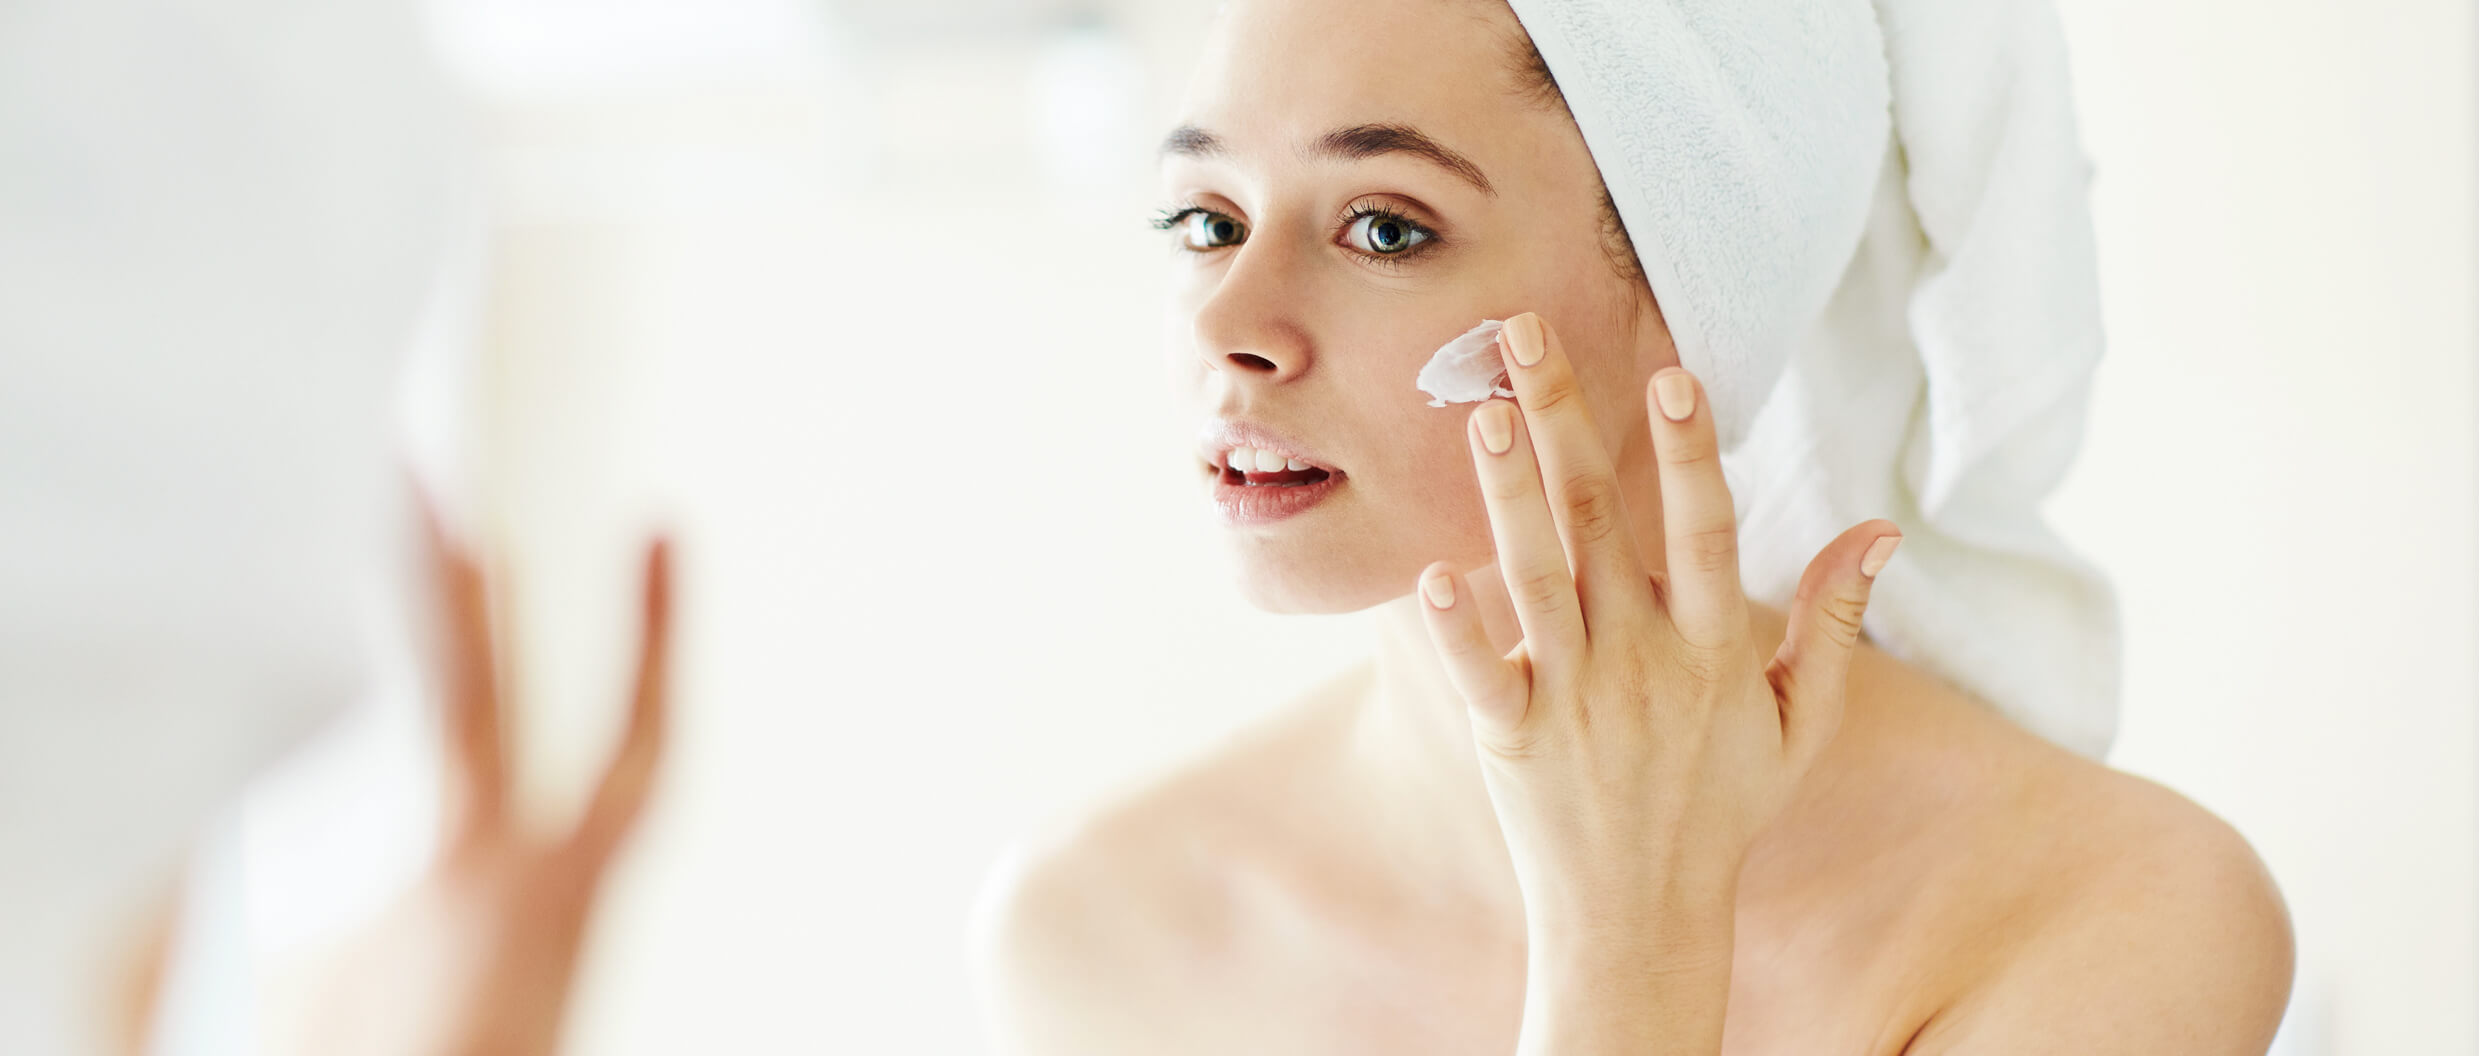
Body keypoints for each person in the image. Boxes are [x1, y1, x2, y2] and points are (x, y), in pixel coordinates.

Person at [969, 0, 2293, 1052]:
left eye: (1384, 227)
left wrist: (1630, 940)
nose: (1225, 330)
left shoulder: (2108, 918)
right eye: (1209, 220)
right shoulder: (1103, 933)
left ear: (1690, 303)